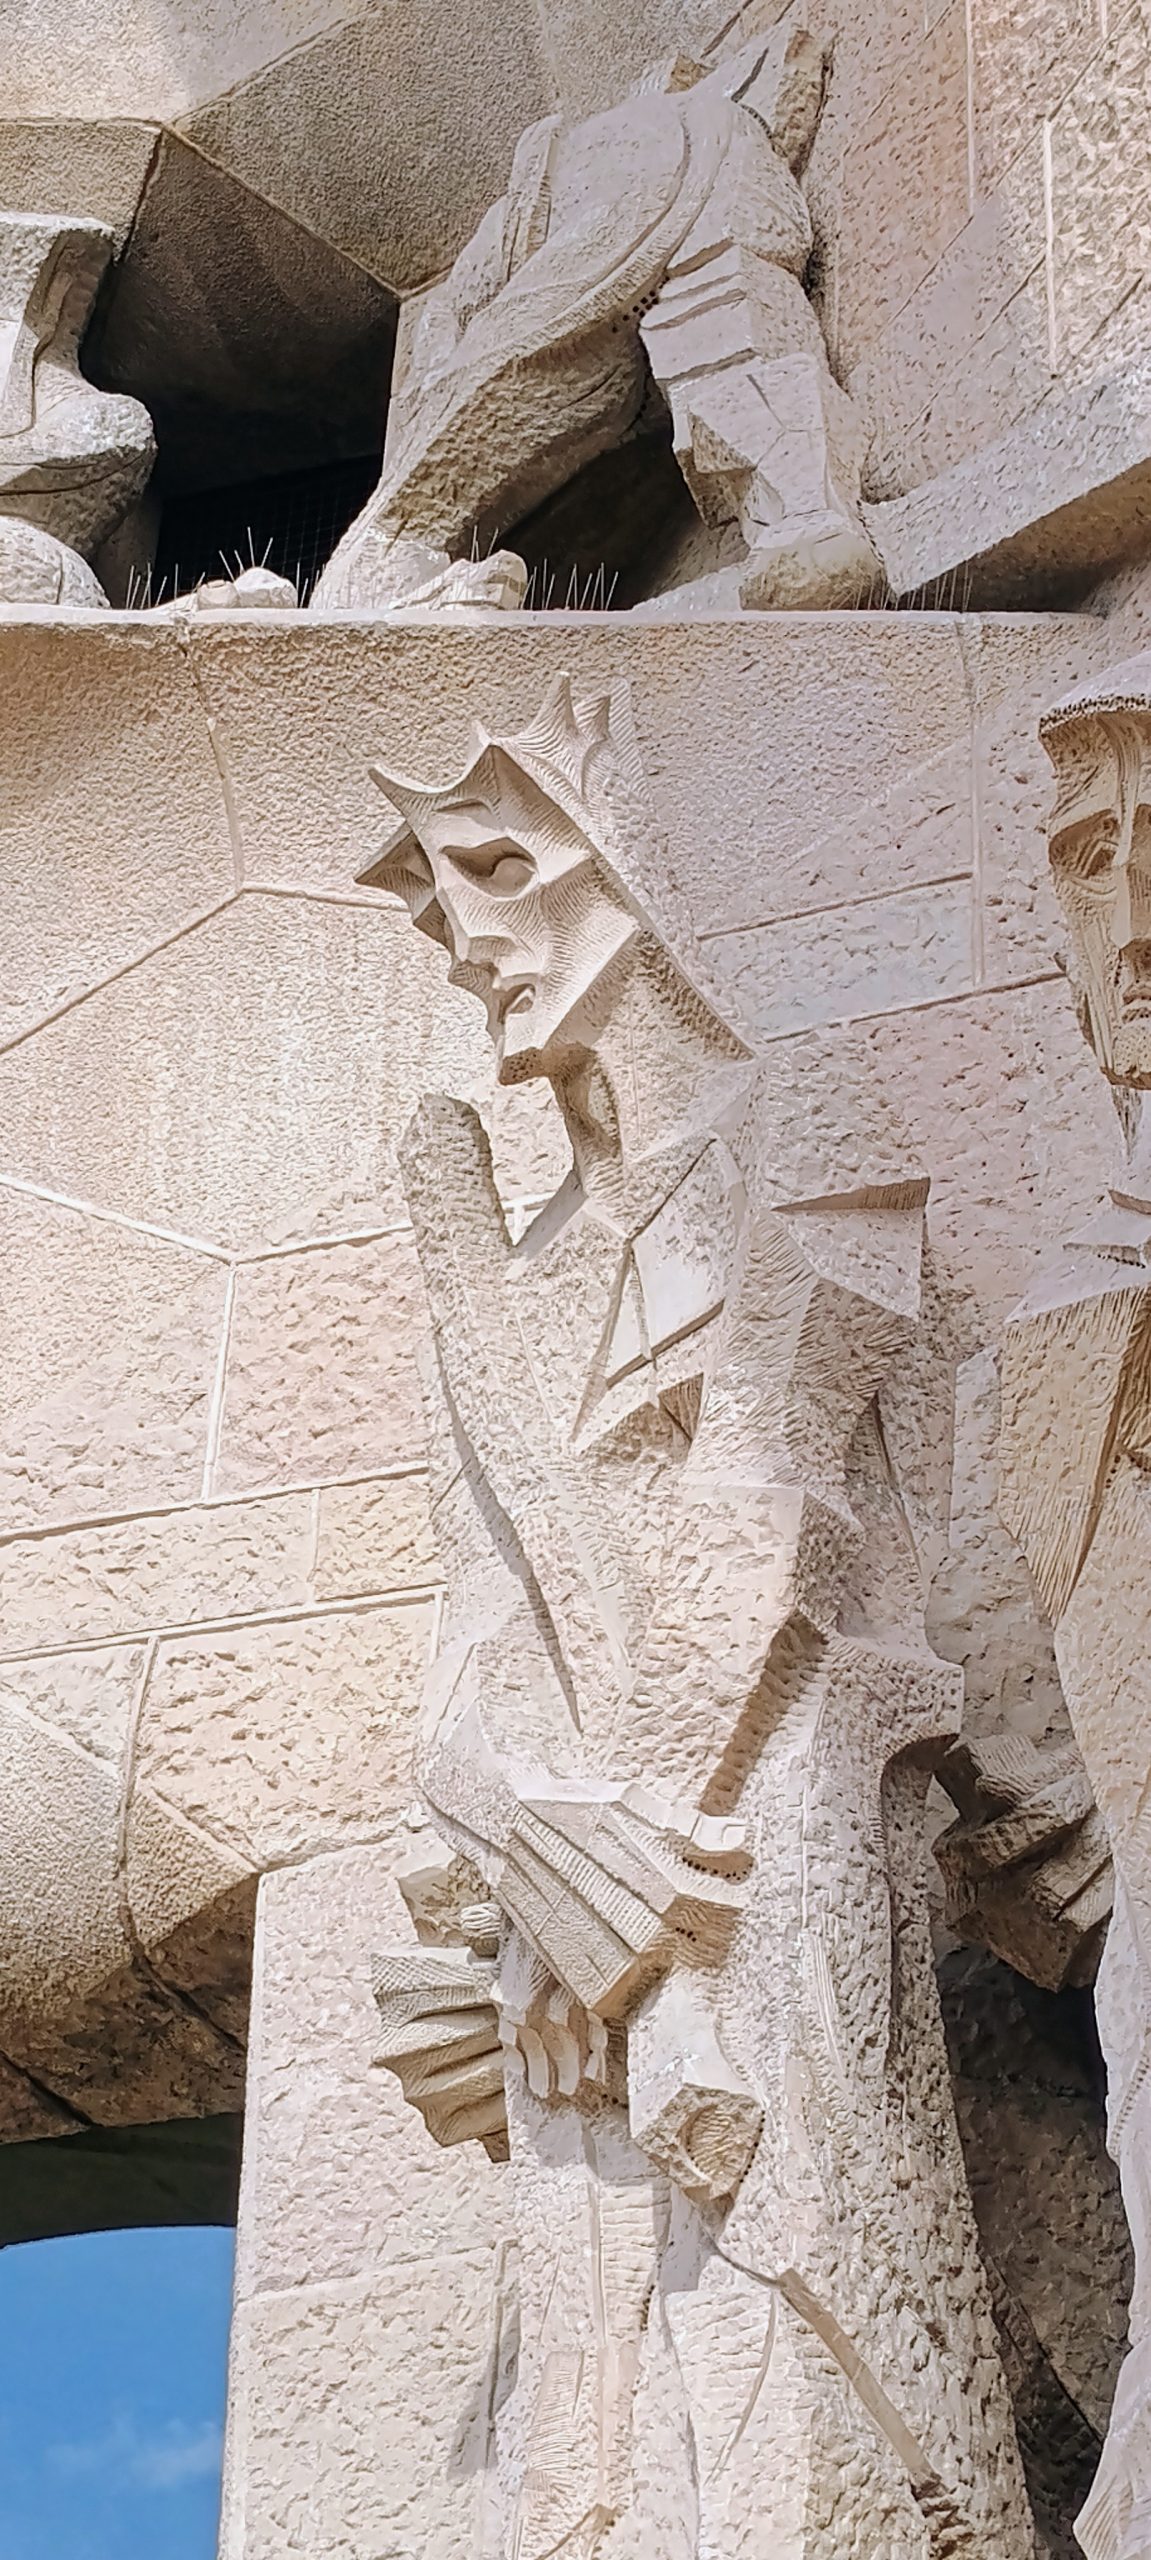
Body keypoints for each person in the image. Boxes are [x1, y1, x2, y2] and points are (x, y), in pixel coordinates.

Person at [370, 673, 1030, 2558]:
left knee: (805, 2289)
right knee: (600, 2408)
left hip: (767, 1805)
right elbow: (475, 1637)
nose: (471, 940)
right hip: (588, 1880)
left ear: (631, 861)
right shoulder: (513, 1266)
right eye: (441, 903)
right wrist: (532, 1846)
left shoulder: (810, 1128)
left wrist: (629, 1881)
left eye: (504, 869)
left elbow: (777, 1509)